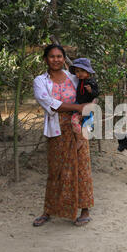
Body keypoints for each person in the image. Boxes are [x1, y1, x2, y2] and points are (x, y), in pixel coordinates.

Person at [32, 44, 94, 227]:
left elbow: (89, 94)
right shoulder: (40, 81)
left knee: (81, 168)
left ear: (64, 58)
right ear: (45, 59)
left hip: (78, 128)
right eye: (52, 56)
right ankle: (48, 211)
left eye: (59, 56)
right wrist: (77, 107)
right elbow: (49, 103)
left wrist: (90, 104)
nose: (56, 59)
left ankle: (84, 210)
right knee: (56, 171)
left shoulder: (73, 77)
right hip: (56, 130)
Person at [68, 58, 99, 136]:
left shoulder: (91, 81)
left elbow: (96, 93)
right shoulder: (79, 81)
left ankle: (89, 127)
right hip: (79, 102)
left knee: (88, 116)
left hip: (87, 103)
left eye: (82, 71)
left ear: (87, 72)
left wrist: (90, 91)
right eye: (77, 71)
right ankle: (78, 128)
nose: (80, 73)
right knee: (75, 114)